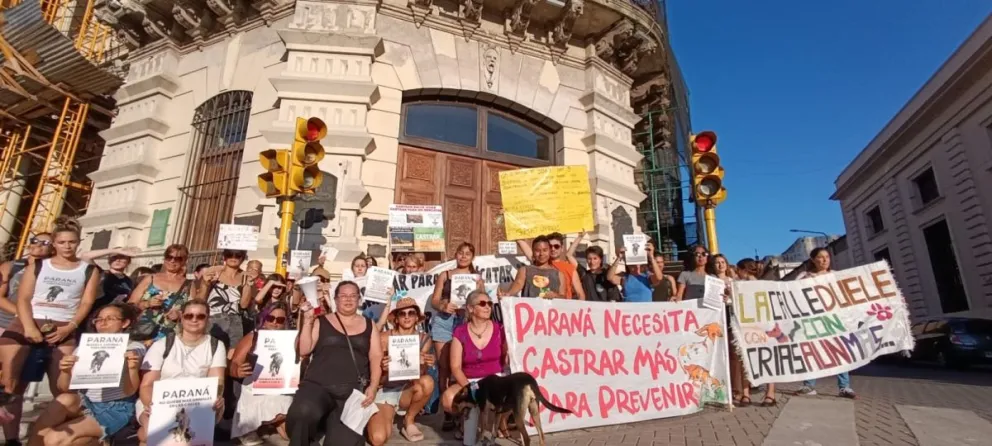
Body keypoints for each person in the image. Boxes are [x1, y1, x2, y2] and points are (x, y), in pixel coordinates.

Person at [0, 218, 102, 442]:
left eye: (72, 242)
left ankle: (53, 438)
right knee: (11, 386)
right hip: (29, 321)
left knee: (63, 388)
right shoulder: (38, 266)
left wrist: (70, 327)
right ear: (54, 243)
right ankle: (11, 440)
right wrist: (29, 326)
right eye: (62, 242)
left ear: (78, 243)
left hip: (64, 326)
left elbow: (86, 302)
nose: (67, 246)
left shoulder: (89, 270)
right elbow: (24, 298)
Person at [26, 303, 144, 446]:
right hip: (86, 400)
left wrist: (132, 368)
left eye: (110, 318)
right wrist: (65, 371)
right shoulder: (85, 348)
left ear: (125, 323)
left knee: (54, 439)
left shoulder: (134, 348)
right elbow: (64, 388)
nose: (103, 323)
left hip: (116, 407)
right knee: (63, 399)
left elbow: (129, 391)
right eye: (99, 319)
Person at [286, 281, 382, 446]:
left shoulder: (369, 324)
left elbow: (376, 356)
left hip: (351, 393)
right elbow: (303, 350)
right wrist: (308, 321)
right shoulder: (321, 321)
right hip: (318, 386)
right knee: (303, 411)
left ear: (359, 300)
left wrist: (373, 386)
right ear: (335, 299)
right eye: (343, 296)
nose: (348, 299)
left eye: (353, 296)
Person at [136, 300, 227, 445]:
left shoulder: (216, 345)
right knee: (150, 434)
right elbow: (147, 384)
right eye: (189, 316)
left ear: (207, 318)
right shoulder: (162, 344)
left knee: (189, 434)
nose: (194, 320)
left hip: (197, 402)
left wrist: (217, 398)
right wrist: (155, 407)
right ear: (182, 317)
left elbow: (218, 382)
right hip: (160, 401)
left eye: (200, 316)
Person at [429, 243, 484, 432]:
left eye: (468, 254)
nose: (463, 256)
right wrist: (443, 306)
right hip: (444, 322)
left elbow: (482, 301)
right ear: (456, 255)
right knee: (444, 367)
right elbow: (434, 300)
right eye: (461, 253)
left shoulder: (477, 278)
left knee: (462, 366)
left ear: (472, 257)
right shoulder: (444, 275)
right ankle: (448, 412)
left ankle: (464, 407)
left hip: (466, 323)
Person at [366, 298, 435, 444]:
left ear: (417, 317)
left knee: (427, 382)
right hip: (385, 390)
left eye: (411, 313)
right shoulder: (383, 338)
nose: (407, 317)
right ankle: (385, 416)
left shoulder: (424, 339)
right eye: (402, 314)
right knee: (377, 439)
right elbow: (374, 376)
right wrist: (383, 369)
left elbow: (420, 375)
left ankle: (409, 420)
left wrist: (425, 363)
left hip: (407, 390)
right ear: (396, 319)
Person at [442, 290, 506, 444]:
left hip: (495, 379)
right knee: (448, 399)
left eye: (490, 303)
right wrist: (471, 389)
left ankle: (495, 425)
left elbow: (507, 358)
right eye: (482, 304)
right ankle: (465, 422)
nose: (488, 307)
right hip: (470, 380)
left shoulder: (500, 329)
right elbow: (455, 367)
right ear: (470, 308)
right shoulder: (460, 332)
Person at [229, 301, 294, 445]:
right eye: (271, 318)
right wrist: (238, 370)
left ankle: (271, 424)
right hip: (255, 385)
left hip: (280, 384)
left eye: (280, 320)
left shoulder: (290, 339)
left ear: (285, 322)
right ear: (264, 319)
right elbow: (234, 363)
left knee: (290, 435)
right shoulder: (253, 336)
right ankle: (260, 426)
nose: (275, 323)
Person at [795, 248, 857, 399]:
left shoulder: (836, 276)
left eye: (827, 257)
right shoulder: (804, 277)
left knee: (840, 351)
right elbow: (793, 294)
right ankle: (809, 385)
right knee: (812, 351)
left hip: (834, 320)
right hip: (813, 320)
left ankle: (844, 387)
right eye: (820, 257)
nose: (824, 260)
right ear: (813, 260)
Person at [128, 245, 192, 342]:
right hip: (144, 331)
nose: (172, 261)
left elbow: (194, 310)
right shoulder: (150, 278)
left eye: (178, 258)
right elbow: (130, 305)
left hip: (171, 333)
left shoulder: (189, 284)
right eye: (169, 257)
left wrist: (179, 314)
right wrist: (147, 303)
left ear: (184, 261)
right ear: (164, 258)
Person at [196, 249, 255, 350]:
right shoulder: (214, 273)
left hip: (235, 322)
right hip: (213, 320)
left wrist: (248, 285)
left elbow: (244, 305)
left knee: (232, 354)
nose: (233, 258)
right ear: (224, 257)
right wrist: (205, 284)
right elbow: (199, 301)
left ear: (242, 258)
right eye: (229, 254)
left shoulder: (245, 276)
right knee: (210, 352)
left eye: (237, 255)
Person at [517, 233, 585, 299]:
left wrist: (580, 237)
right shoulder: (539, 262)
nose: (553, 249)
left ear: (562, 248)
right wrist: (515, 234)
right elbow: (524, 246)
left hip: (562, 305)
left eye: (556, 246)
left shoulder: (570, 268)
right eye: (550, 246)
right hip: (538, 304)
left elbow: (580, 294)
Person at [500, 235, 566, 299]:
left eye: (545, 250)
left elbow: (563, 297)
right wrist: (507, 294)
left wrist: (555, 295)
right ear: (533, 252)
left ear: (549, 251)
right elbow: (518, 283)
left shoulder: (559, 274)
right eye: (537, 251)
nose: (541, 254)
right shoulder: (525, 270)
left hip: (551, 307)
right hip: (529, 306)